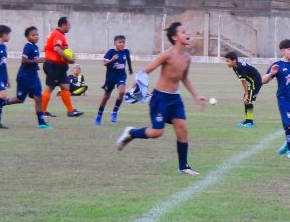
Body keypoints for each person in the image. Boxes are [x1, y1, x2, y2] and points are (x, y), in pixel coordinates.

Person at [115, 22, 207, 175]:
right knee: (157, 132)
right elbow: (146, 70)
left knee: (182, 128)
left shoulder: (187, 58)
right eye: (183, 32)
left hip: (175, 99)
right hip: (160, 98)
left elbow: (184, 78)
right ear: (174, 37)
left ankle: (183, 166)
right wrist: (135, 84)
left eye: (187, 31)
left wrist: (196, 96)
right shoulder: (168, 54)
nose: (187, 33)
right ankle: (131, 133)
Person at [42, 16, 84, 118]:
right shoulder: (58, 34)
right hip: (54, 66)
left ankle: (70, 111)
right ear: (63, 25)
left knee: (65, 87)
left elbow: (61, 50)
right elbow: (57, 48)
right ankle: (42, 112)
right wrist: (69, 59)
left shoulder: (57, 34)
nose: (70, 27)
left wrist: (68, 58)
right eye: (69, 25)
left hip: (59, 66)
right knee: (50, 88)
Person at [14, 26, 51, 129]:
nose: (36, 37)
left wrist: (42, 61)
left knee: (39, 98)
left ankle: (41, 123)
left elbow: (35, 61)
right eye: (33, 35)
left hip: (34, 76)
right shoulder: (28, 46)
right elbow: (24, 61)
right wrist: (38, 61)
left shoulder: (35, 47)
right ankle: (1, 103)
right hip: (24, 77)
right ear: (27, 37)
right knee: (19, 99)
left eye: (37, 35)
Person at [94, 35, 133, 125]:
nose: (122, 44)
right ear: (115, 43)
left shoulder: (126, 52)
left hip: (121, 76)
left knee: (122, 92)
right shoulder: (111, 52)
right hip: (111, 77)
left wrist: (130, 68)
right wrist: (112, 60)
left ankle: (114, 111)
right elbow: (104, 63)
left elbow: (128, 59)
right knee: (106, 96)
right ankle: (99, 115)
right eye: (120, 42)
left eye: (123, 42)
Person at [223, 51, 262, 128]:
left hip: (255, 83)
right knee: (246, 100)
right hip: (251, 82)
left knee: (247, 100)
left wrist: (247, 94)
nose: (226, 63)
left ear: (234, 60)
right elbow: (243, 79)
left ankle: (250, 122)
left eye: (228, 61)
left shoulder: (239, 67)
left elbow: (243, 82)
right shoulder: (235, 66)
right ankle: (248, 120)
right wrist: (246, 94)